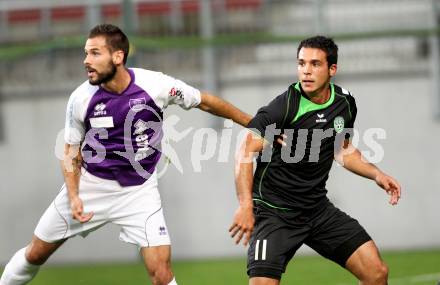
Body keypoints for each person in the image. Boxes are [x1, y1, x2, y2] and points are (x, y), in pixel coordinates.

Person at [0, 24, 252, 285]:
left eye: (95, 53)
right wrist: (74, 195)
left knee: (162, 273)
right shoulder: (80, 99)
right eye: (86, 53)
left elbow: (205, 101)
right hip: (90, 185)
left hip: (139, 191)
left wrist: (252, 122)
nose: (86, 61)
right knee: (36, 253)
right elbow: (71, 151)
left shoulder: (156, 85)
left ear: (118, 57)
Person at [229, 35, 401, 285]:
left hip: (317, 210)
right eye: (301, 64)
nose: (306, 71)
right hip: (275, 214)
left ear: (332, 69)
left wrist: (377, 174)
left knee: (377, 273)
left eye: (315, 64)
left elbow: (342, 150)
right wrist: (245, 205)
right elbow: (244, 152)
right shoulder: (284, 107)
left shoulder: (345, 103)